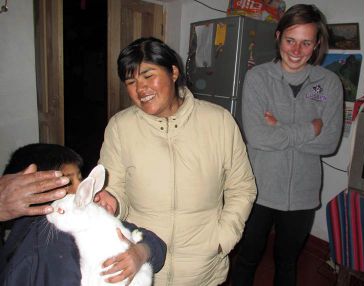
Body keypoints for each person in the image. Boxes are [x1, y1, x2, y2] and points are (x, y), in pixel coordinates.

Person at [96, 37, 257, 285]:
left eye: (148, 76)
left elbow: (242, 187)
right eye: (131, 81)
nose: (140, 89)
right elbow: (115, 186)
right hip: (143, 264)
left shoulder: (219, 122)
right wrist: (112, 202)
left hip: (202, 268)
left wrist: (223, 238)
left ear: (173, 71)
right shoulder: (120, 127)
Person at [231, 4, 343, 286]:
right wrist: (310, 128)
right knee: (246, 258)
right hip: (258, 190)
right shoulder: (258, 78)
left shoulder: (327, 83)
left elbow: (329, 142)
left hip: (303, 194)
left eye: (306, 42)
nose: (296, 50)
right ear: (278, 36)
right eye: (290, 40)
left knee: (287, 263)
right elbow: (257, 137)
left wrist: (278, 127)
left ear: (317, 44)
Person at [0, 143, 167, 285]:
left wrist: (140, 252)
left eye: (80, 179)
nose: (80, 188)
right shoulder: (48, 235)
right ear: (32, 187)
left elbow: (156, 244)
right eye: (68, 182)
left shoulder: (81, 218)